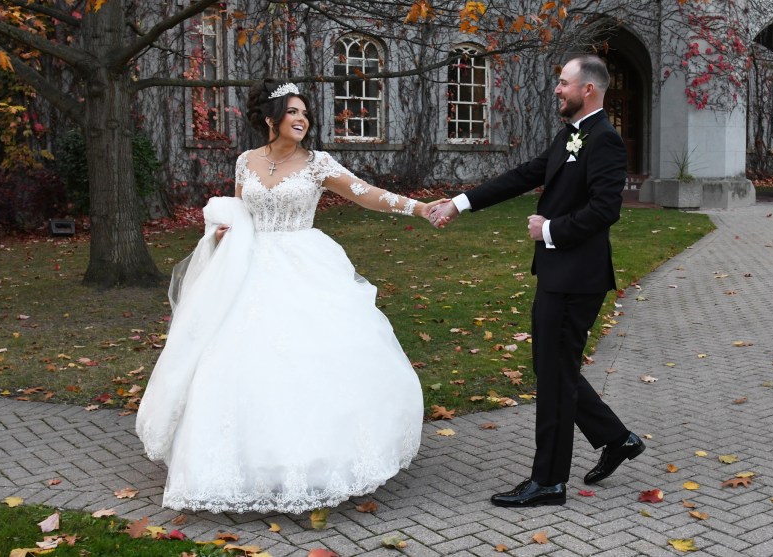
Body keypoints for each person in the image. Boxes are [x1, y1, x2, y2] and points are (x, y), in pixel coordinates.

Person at [136, 80, 445, 514]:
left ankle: (314, 466)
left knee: (310, 362)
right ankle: (239, 466)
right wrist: (224, 231)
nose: (301, 119)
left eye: (304, 113)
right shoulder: (246, 161)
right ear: (271, 119)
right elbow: (241, 210)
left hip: (304, 263)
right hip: (247, 267)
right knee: (234, 364)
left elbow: (366, 195)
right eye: (293, 112)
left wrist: (419, 207)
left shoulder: (318, 164)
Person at [429, 55, 645, 507]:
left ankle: (548, 481)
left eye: (563, 83)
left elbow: (607, 210)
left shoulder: (604, 140)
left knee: (553, 377)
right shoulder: (571, 135)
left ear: (587, 89)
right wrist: (460, 203)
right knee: (554, 369)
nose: (556, 89)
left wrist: (547, 230)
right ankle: (615, 438)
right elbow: (526, 174)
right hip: (560, 275)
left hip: (576, 278)